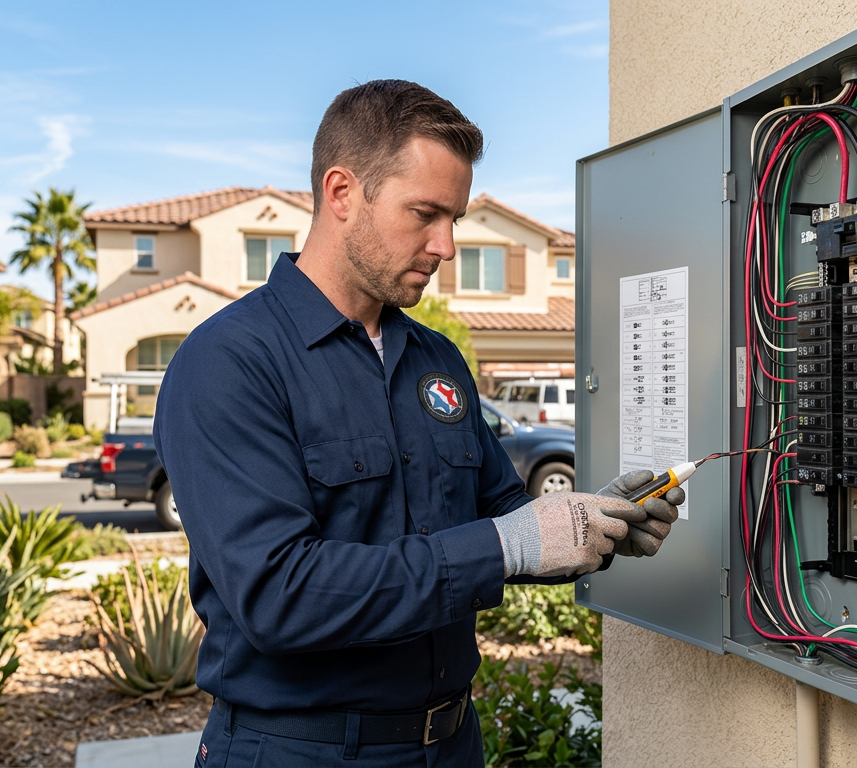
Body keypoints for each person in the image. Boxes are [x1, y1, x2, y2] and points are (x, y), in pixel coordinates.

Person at [153, 79, 681, 768]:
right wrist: (506, 547)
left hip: (450, 744)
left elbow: (502, 514)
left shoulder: (436, 358)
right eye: (425, 213)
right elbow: (278, 595)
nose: (446, 246)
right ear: (342, 193)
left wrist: (594, 523)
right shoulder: (230, 362)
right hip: (299, 750)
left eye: (454, 218)